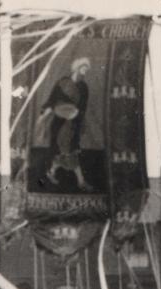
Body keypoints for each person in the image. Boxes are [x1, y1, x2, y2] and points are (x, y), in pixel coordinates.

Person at [37, 57, 93, 191]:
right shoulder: (62, 83)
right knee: (66, 152)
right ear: (77, 68)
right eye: (83, 68)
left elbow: (82, 108)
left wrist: (77, 120)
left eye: (87, 69)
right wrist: (43, 116)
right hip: (58, 123)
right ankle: (81, 182)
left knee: (67, 151)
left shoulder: (83, 87)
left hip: (72, 123)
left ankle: (52, 172)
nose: (85, 71)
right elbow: (52, 101)